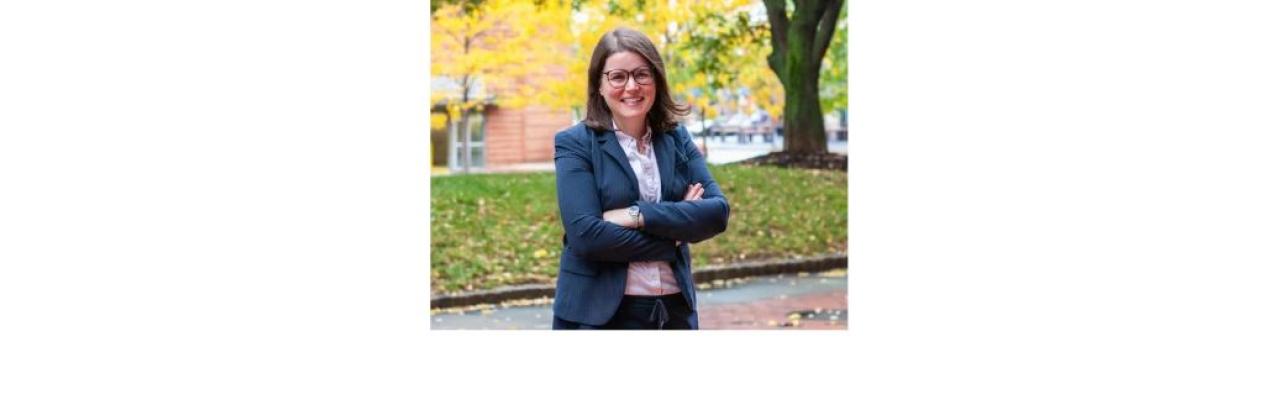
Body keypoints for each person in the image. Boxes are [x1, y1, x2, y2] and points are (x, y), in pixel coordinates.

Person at [551, 27, 731, 330]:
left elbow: (716, 212)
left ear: (656, 80)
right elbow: (585, 236)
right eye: (618, 76)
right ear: (599, 84)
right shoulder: (576, 142)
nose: (631, 86)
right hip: (599, 315)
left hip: (675, 310)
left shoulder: (677, 139)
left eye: (641, 74)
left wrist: (636, 215)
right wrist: (674, 236)